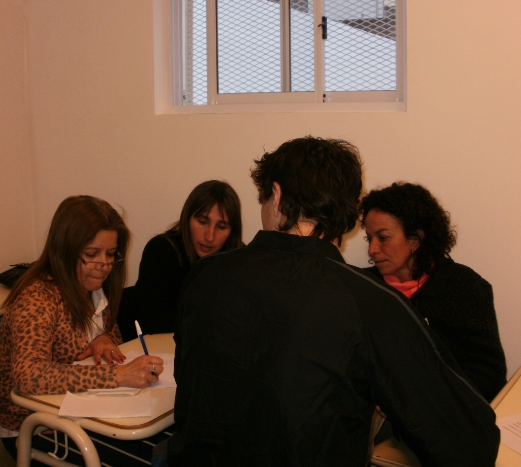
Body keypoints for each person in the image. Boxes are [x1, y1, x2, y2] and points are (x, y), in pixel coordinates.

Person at [167, 136, 500, 466]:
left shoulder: (204, 275)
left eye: (263, 199)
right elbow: (469, 441)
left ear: (277, 197)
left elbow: (193, 381)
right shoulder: (371, 303)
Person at [0, 195, 164, 463]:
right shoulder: (37, 298)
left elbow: (113, 343)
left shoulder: (94, 290)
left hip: (82, 415)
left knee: (167, 446)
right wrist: (116, 375)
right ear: (65, 250)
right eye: (91, 255)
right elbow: (29, 376)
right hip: (34, 430)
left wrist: (105, 339)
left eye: (110, 254)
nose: (104, 265)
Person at [360, 182, 507, 402]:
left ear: (415, 240)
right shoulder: (362, 286)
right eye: (369, 238)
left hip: (440, 412)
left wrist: (421, 399)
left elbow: (488, 376)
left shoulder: (463, 287)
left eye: (383, 237)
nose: (372, 249)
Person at [131, 180, 243, 336]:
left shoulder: (240, 258)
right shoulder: (161, 250)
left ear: (232, 232)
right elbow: (154, 323)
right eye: (202, 222)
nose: (209, 236)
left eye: (221, 227)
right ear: (187, 218)